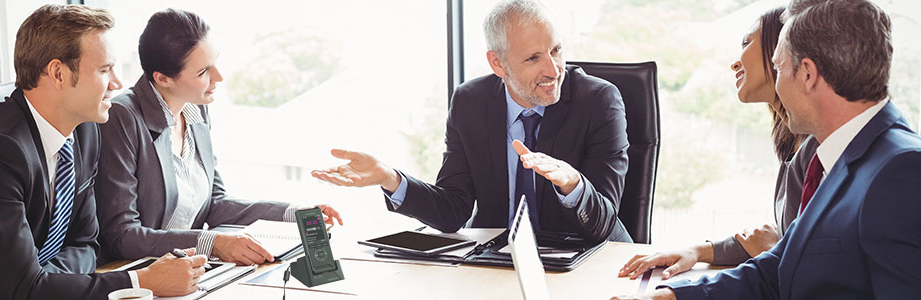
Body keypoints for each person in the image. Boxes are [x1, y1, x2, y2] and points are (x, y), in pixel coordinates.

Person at [615, 0, 921, 299]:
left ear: (807, 74)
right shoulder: (840, 154)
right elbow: (779, 269)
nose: (778, 85)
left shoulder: (902, 170)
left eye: (779, 67)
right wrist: (670, 296)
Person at [0, 4, 205, 299]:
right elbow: (27, 289)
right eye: (104, 70)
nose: (116, 84)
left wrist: (28, 284)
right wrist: (140, 281)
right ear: (58, 74)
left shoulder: (83, 132)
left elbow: (86, 245)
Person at [311, 0, 631, 242]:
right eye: (533, 58)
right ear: (498, 63)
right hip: (498, 259)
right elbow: (453, 210)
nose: (553, 69)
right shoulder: (470, 102)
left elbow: (602, 224)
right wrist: (390, 178)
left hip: (585, 259)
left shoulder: (598, 101)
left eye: (556, 50)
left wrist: (573, 184)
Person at [95, 8, 343, 266]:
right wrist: (212, 242)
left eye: (215, 63)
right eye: (203, 72)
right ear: (163, 78)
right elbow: (121, 235)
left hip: (187, 269)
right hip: (136, 274)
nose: (219, 77)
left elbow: (214, 203)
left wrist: (293, 213)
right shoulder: (122, 118)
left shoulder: (196, 109)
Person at [617, 6, 821, 280]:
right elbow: (776, 240)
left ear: (779, 50)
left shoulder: (818, 148)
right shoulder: (792, 140)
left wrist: (775, 250)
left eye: (747, 43)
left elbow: (798, 256)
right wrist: (698, 251)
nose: (735, 63)